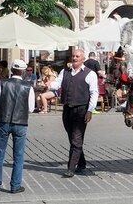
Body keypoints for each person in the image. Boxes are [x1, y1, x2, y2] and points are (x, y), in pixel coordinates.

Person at [0, 59, 35, 194]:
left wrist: (2, 110)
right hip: (21, 123)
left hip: (3, 120)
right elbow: (31, 108)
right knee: (18, 155)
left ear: (12, 70)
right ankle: (15, 185)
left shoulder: (2, 83)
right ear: (23, 71)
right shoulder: (28, 86)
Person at [50, 49, 99, 178]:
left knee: (76, 138)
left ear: (83, 59)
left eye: (77, 56)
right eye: (73, 56)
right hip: (67, 109)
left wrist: (90, 110)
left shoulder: (90, 74)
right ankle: (81, 163)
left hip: (81, 109)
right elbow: (57, 84)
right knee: (72, 138)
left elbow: (94, 93)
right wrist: (50, 84)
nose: (75, 58)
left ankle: (71, 168)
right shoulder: (64, 71)